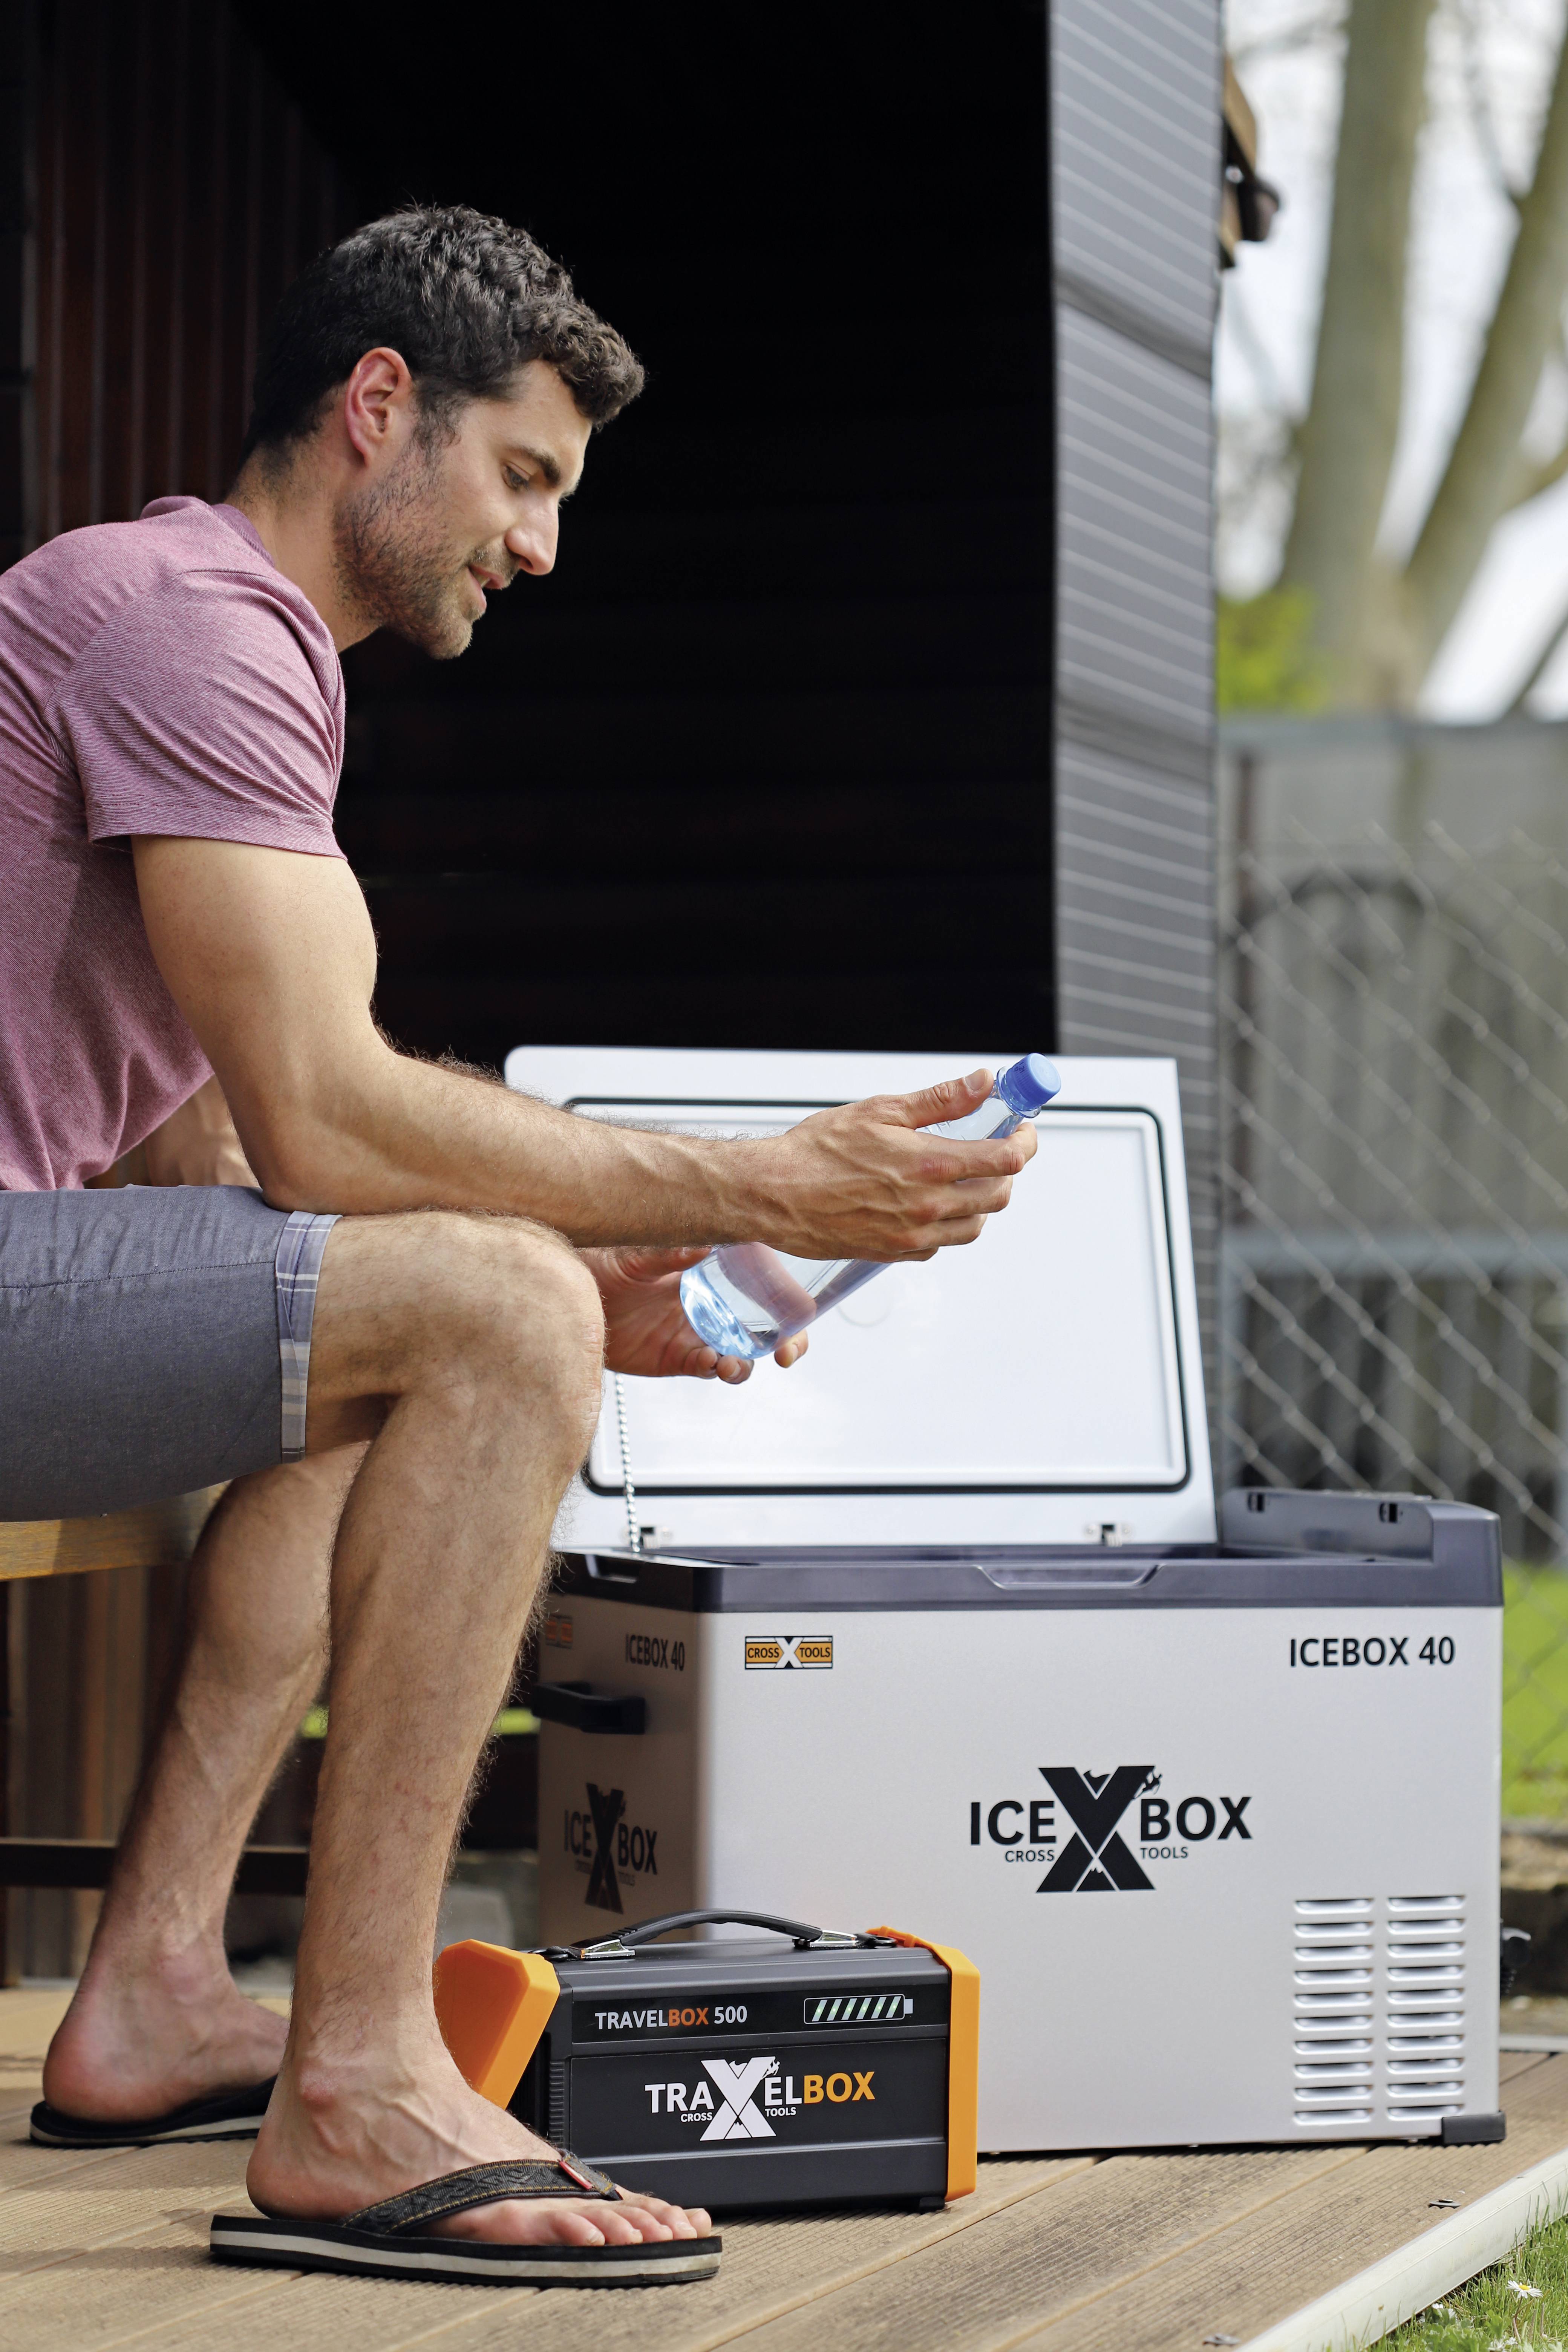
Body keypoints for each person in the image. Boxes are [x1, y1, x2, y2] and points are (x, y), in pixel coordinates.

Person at [0, 205, 1036, 2287]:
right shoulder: (189, 619)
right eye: (525, 476)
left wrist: (578, 1283)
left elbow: (233, 1142)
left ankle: (161, 1986)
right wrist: (745, 1188)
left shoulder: (205, 632)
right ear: (381, 408)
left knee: (451, 1318)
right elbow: (318, 1106)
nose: (543, 547)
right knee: (487, 1310)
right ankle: (363, 2071)